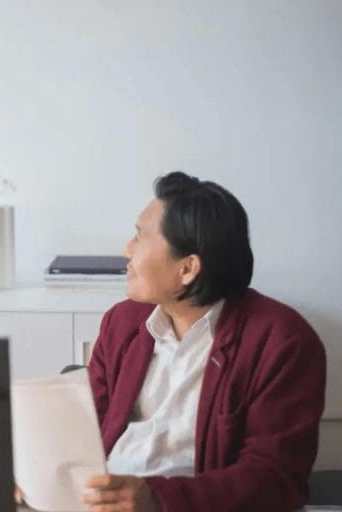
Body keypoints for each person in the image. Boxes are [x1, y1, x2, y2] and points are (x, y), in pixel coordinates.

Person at [79, 171, 326, 511]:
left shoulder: (282, 341)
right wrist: (38, 473)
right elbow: (85, 427)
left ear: (187, 268)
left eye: (139, 237)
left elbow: (272, 478)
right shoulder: (121, 323)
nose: (127, 250)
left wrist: (157, 500)